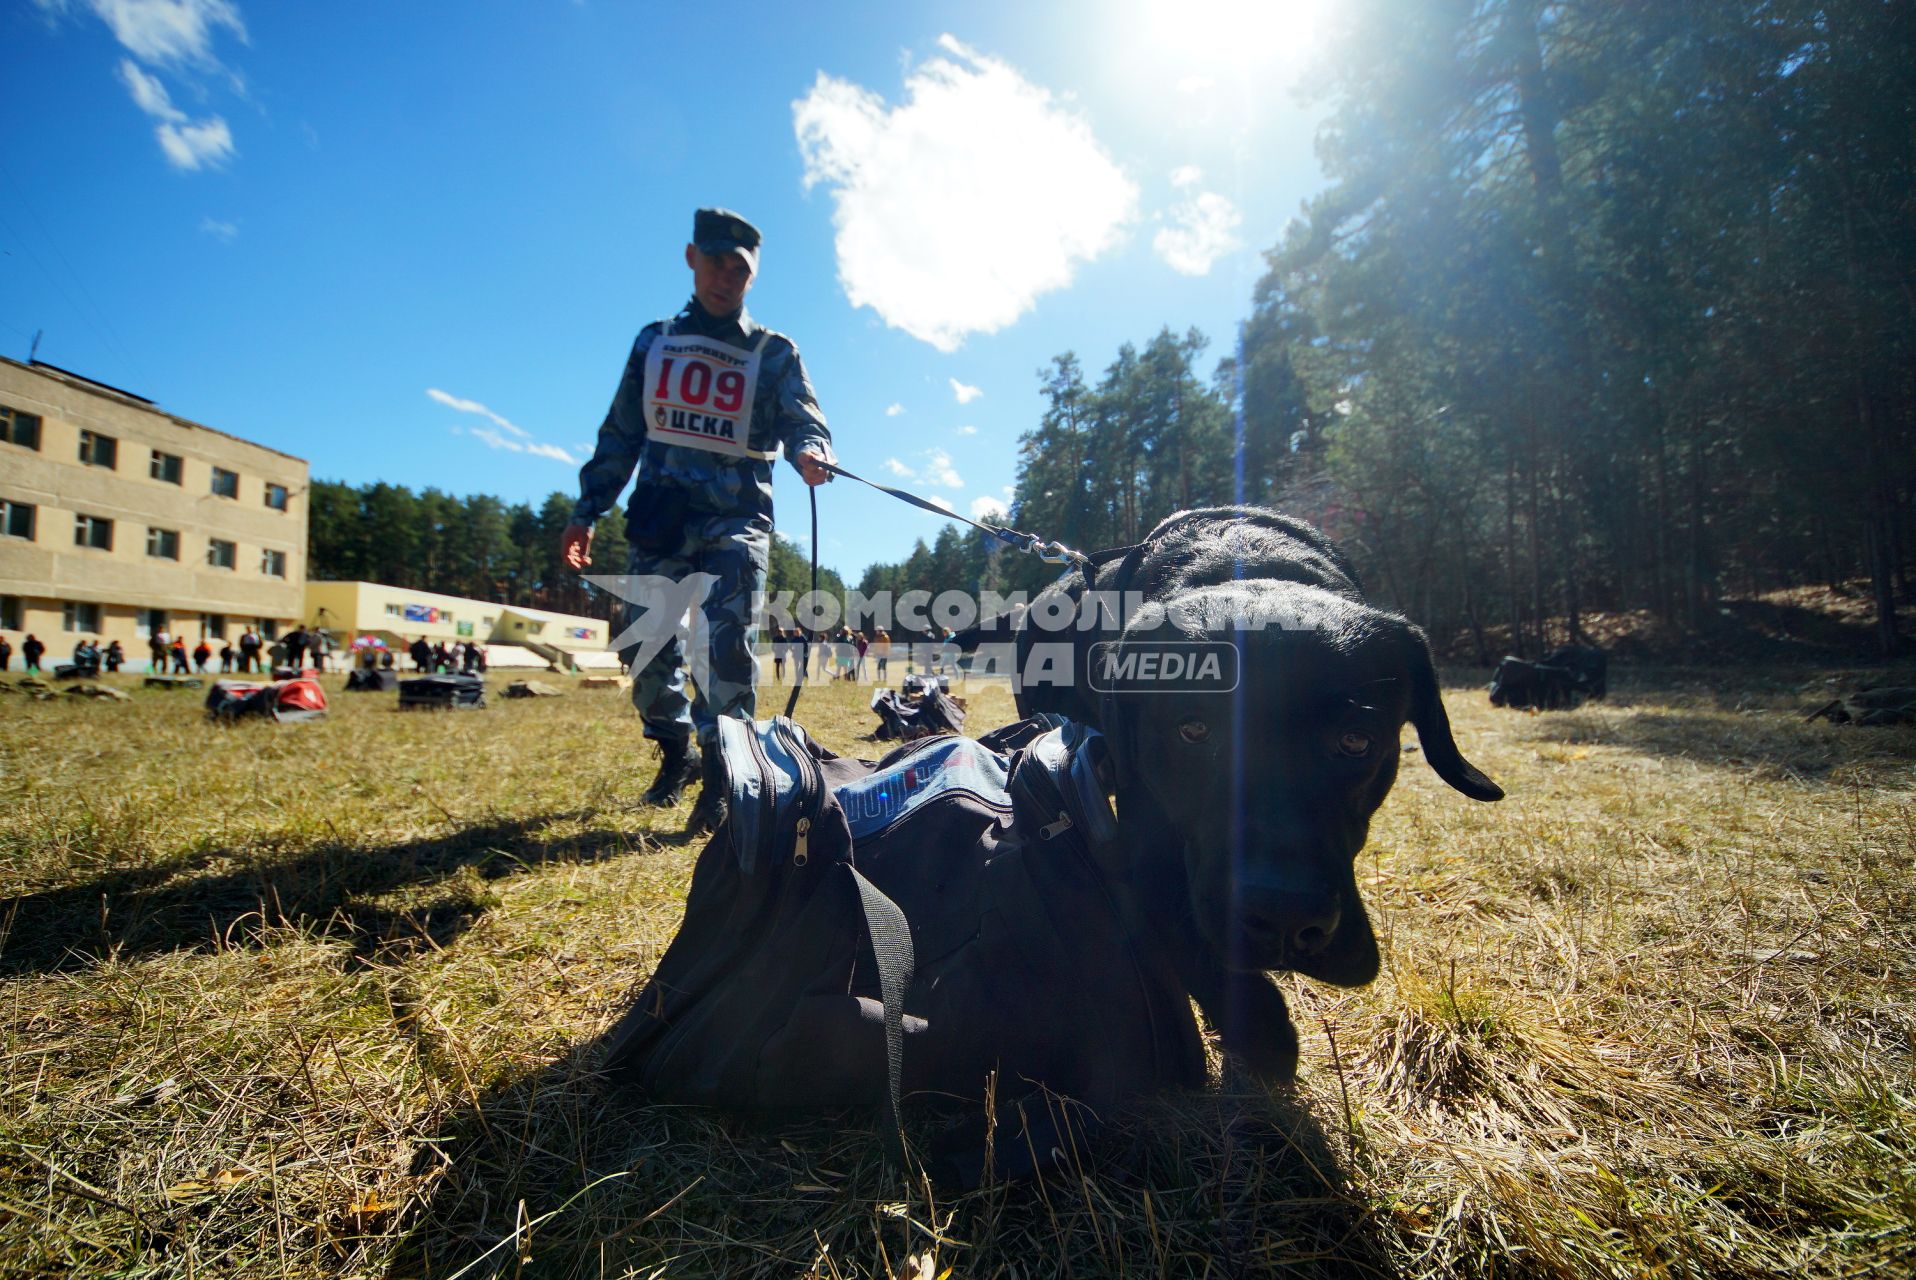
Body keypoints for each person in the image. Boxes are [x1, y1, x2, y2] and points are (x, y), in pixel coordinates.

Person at [562, 207, 834, 830]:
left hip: (736, 520)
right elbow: (620, 433)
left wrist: (811, 450)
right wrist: (587, 510)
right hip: (660, 517)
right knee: (646, 645)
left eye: (739, 268)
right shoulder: (654, 343)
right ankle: (673, 748)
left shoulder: (774, 352)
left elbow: (804, 419)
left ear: (752, 276)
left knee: (725, 643)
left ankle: (724, 773)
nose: (725, 277)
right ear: (692, 258)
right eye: (716, 262)